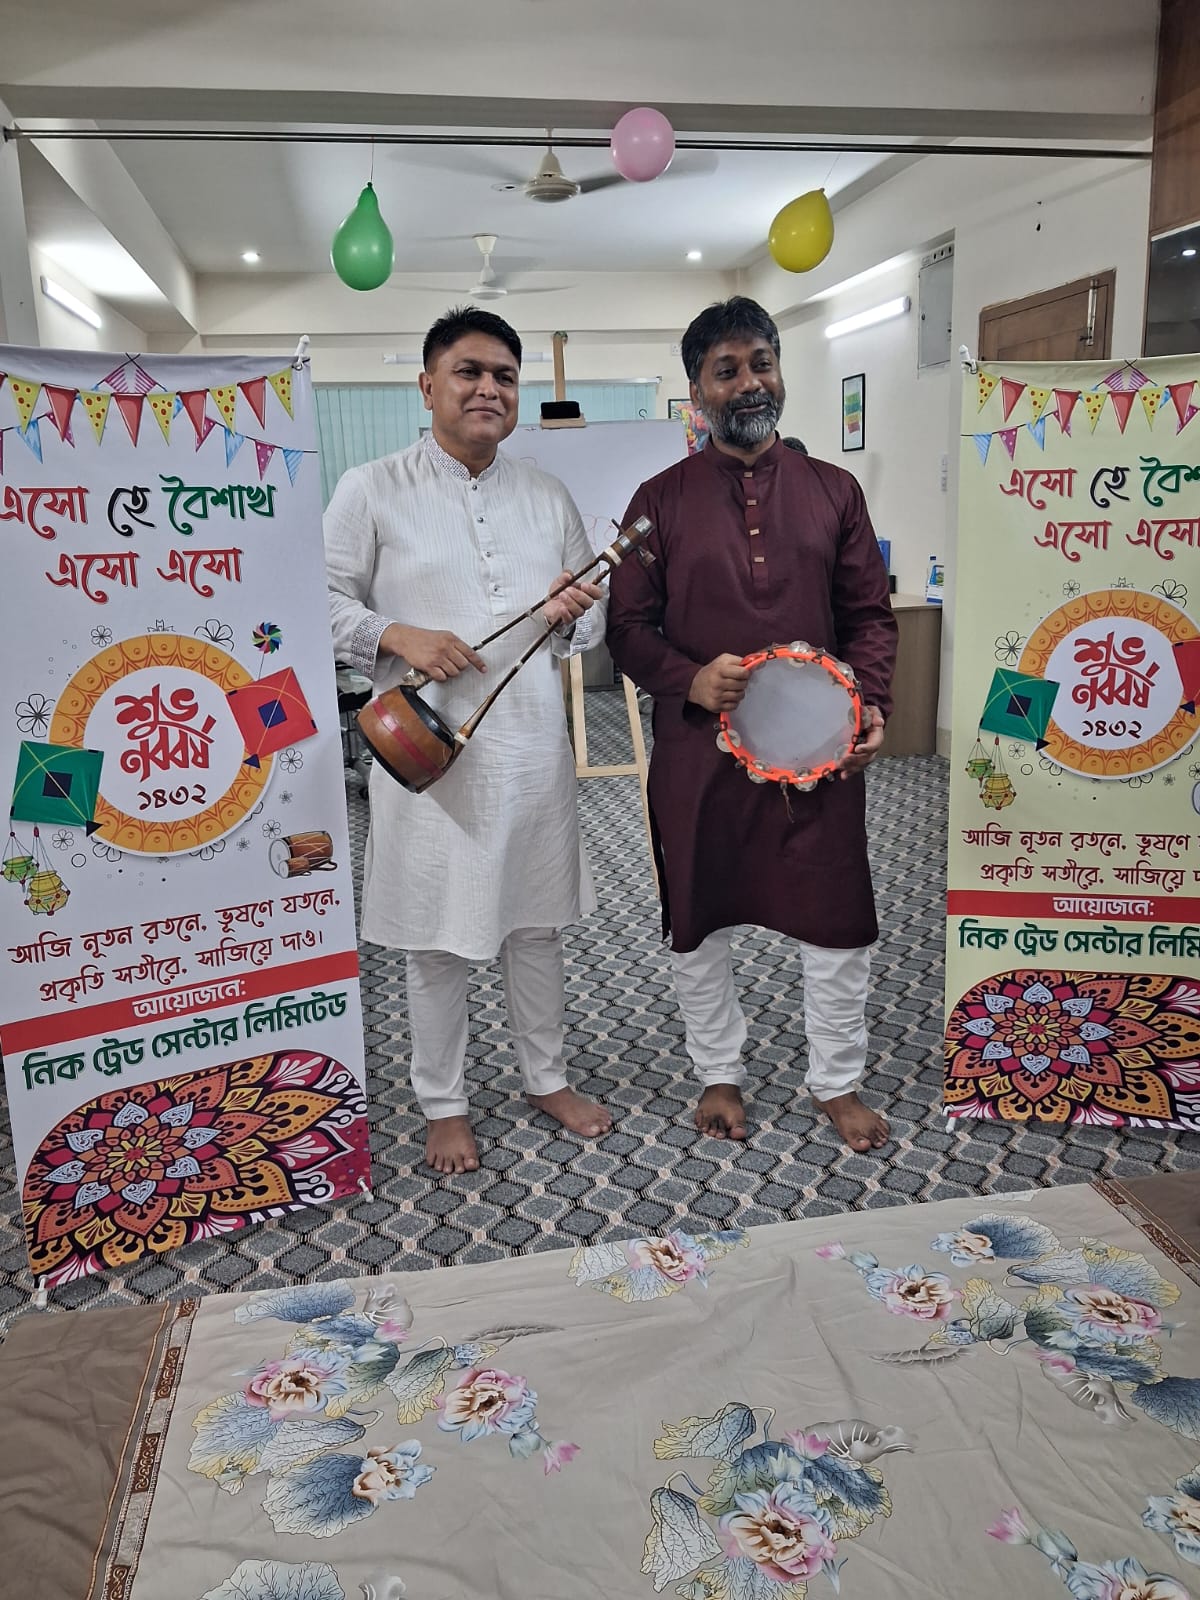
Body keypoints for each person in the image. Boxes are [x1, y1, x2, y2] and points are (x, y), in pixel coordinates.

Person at [325, 306, 612, 1175]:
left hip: (531, 749)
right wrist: (395, 634)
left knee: (536, 924)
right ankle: (442, 1102)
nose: (489, 389)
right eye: (470, 372)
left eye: (505, 377)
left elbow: (585, 633)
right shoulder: (371, 488)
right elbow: (314, 601)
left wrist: (571, 613)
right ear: (427, 386)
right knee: (436, 935)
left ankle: (546, 1077)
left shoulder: (547, 495)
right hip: (425, 758)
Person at [607, 297, 897, 1153]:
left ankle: (837, 1080)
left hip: (821, 753)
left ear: (779, 369)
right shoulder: (656, 502)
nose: (748, 383)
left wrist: (870, 705)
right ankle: (718, 1071)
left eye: (761, 363)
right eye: (726, 370)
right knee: (699, 914)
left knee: (837, 912)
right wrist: (691, 679)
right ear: (697, 389)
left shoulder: (834, 491)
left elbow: (869, 616)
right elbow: (627, 629)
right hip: (699, 751)